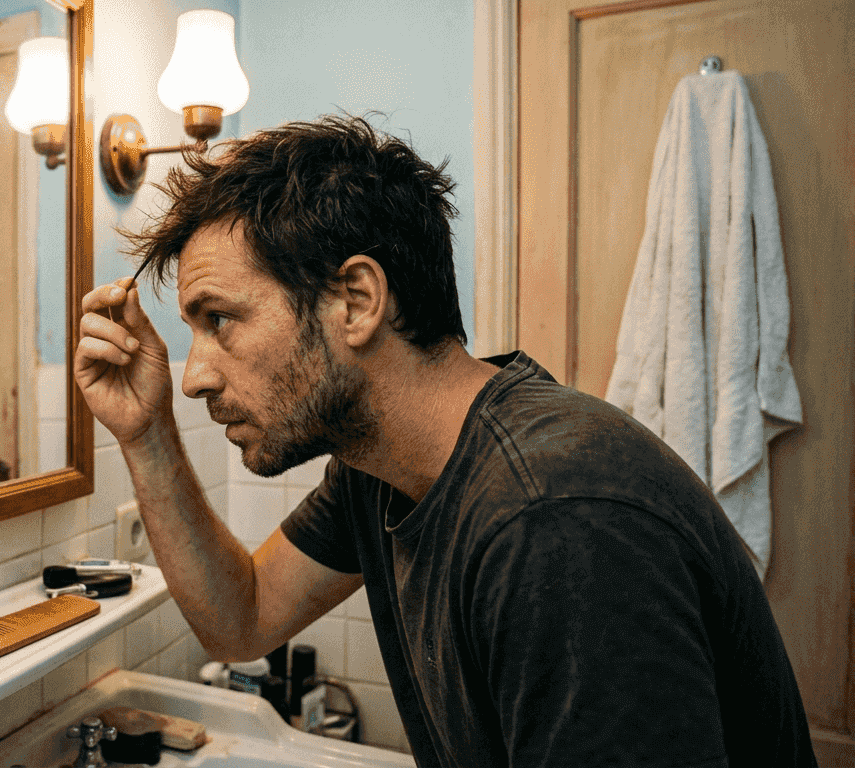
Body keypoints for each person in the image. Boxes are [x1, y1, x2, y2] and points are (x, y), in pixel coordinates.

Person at [74, 115, 816, 766]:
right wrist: (145, 435)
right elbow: (243, 621)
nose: (195, 375)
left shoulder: (555, 518)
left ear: (357, 301)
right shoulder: (381, 469)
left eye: (218, 320)